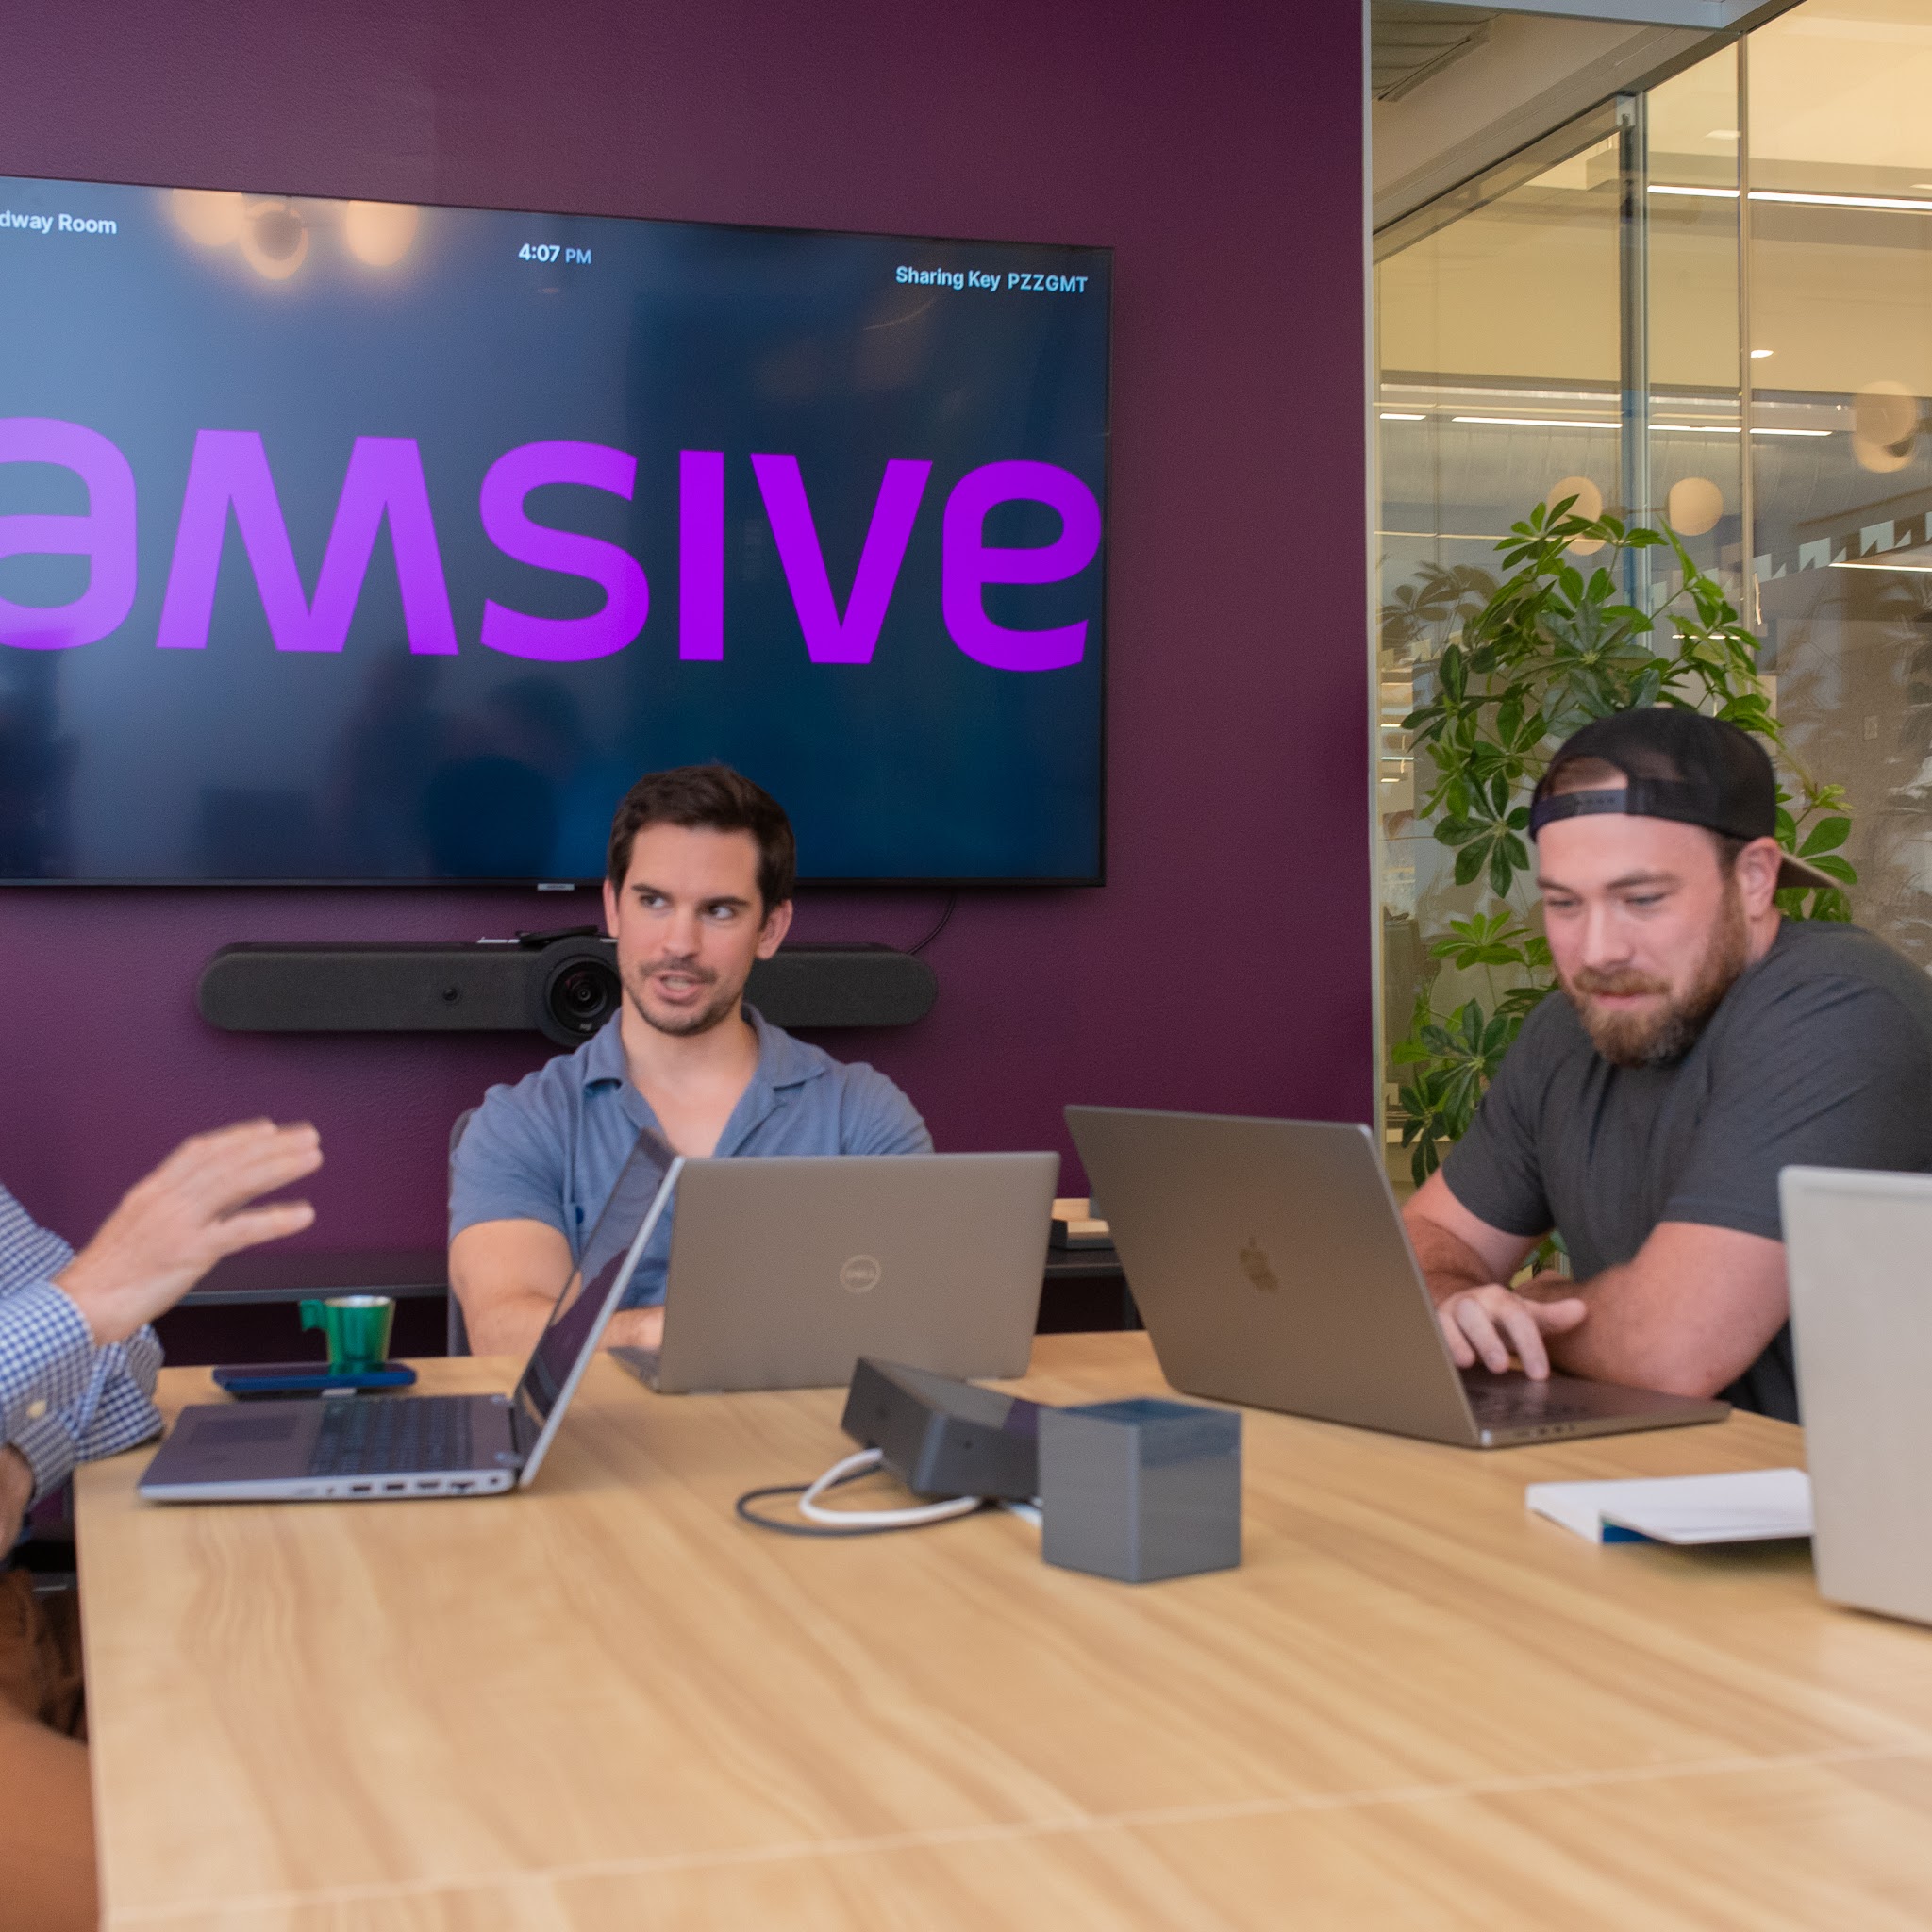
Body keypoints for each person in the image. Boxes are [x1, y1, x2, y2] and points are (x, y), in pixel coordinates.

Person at [1404, 708, 1932, 1421]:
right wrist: (1459, 1302)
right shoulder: (1568, 1028)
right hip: (1654, 1465)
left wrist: (1536, 1310)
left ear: (1754, 878)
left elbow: (1672, 1350)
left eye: (1642, 899)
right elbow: (1425, 1246)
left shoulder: (1841, 1009)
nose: (1598, 951)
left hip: (1837, 1485)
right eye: (1564, 904)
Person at [450, 764, 931, 1359]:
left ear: (770, 928)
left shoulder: (861, 1115)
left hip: (807, 1423)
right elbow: (504, 1334)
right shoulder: (522, 1122)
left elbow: (916, 1325)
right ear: (614, 907)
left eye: (719, 911)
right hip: (602, 1425)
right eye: (653, 901)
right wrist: (660, 1331)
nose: (680, 943)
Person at [1, 1119, 324, 1932]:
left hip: (22, 1618)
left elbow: (121, 1355)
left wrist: (17, 1456)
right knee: (234, 1891)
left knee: (336, 1720)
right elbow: (92, 1309)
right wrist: (74, 1308)